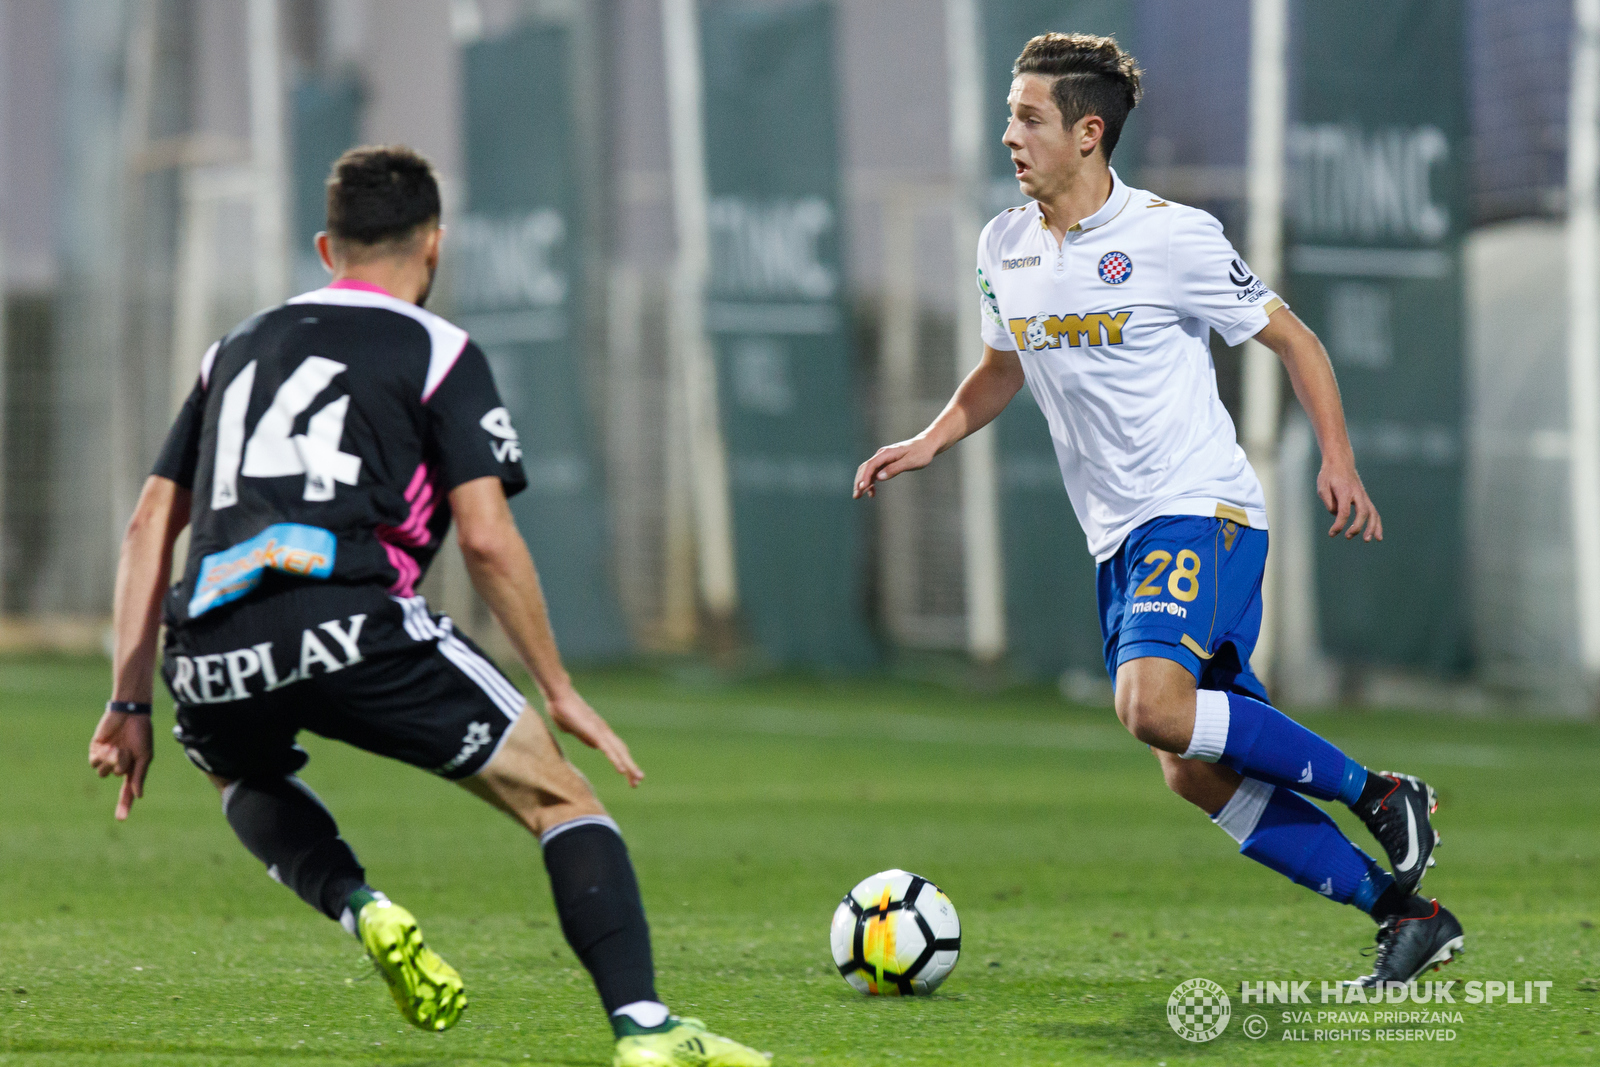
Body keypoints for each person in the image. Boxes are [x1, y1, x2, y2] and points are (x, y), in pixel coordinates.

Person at [88, 145, 769, 1067]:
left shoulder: (234, 347)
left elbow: (147, 525)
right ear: (435, 247)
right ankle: (647, 1030)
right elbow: (485, 537)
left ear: (326, 247)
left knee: (243, 775)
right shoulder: (439, 348)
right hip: (350, 619)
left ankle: (357, 903)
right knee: (564, 800)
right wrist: (557, 685)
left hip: (209, 640)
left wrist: (129, 701)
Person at [853, 33, 1463, 989]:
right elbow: (1000, 368)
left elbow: (1295, 340)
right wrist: (931, 438)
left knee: (1151, 704)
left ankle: (1382, 791)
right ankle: (1406, 913)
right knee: (1189, 764)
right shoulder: (1002, 245)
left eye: (1028, 118)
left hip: (1199, 506)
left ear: (1088, 133)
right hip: (1119, 535)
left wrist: (1338, 460)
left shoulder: (1170, 236)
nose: (1008, 135)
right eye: (1010, 114)